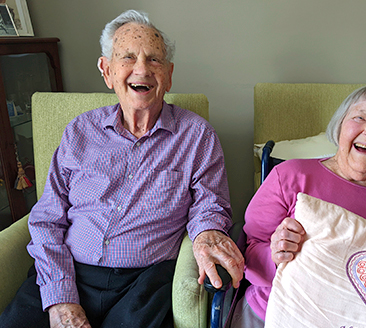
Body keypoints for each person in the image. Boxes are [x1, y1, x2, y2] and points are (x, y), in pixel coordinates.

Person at [0, 9, 243, 328]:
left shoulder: (197, 136)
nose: (141, 69)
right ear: (107, 70)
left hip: (144, 282)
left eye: (154, 60)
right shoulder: (79, 132)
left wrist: (207, 230)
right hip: (69, 269)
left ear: (169, 74)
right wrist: (62, 298)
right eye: (127, 57)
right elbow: (48, 216)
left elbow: (210, 204)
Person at [230, 84, 366, 328]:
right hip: (275, 314)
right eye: (359, 117)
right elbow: (249, 250)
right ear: (340, 126)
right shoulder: (289, 176)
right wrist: (275, 255)